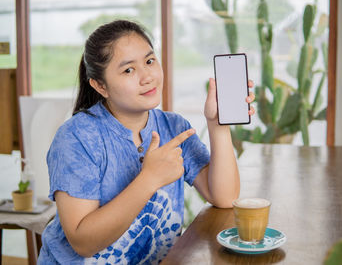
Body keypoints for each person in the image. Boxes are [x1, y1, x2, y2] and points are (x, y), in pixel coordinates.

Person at [38, 20, 255, 264]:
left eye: (150, 61)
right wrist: (149, 179)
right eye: (128, 70)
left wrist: (218, 126)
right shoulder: (77, 137)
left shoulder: (173, 127)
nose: (147, 77)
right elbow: (83, 242)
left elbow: (224, 197)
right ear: (100, 86)